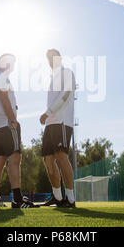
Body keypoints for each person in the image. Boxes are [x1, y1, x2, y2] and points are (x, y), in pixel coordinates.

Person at [0, 53, 38, 208]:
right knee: (15, 158)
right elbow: (3, 98)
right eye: (13, 61)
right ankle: (17, 198)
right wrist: (13, 119)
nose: (15, 64)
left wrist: (13, 107)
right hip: (7, 124)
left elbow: (4, 98)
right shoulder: (2, 77)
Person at [39, 49, 76, 208]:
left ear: (60, 58)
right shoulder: (52, 78)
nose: (50, 60)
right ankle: (57, 197)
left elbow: (66, 94)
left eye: (53, 57)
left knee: (61, 156)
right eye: (48, 58)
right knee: (47, 160)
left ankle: (71, 199)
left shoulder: (67, 73)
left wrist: (48, 112)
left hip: (62, 121)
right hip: (50, 124)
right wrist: (48, 116)